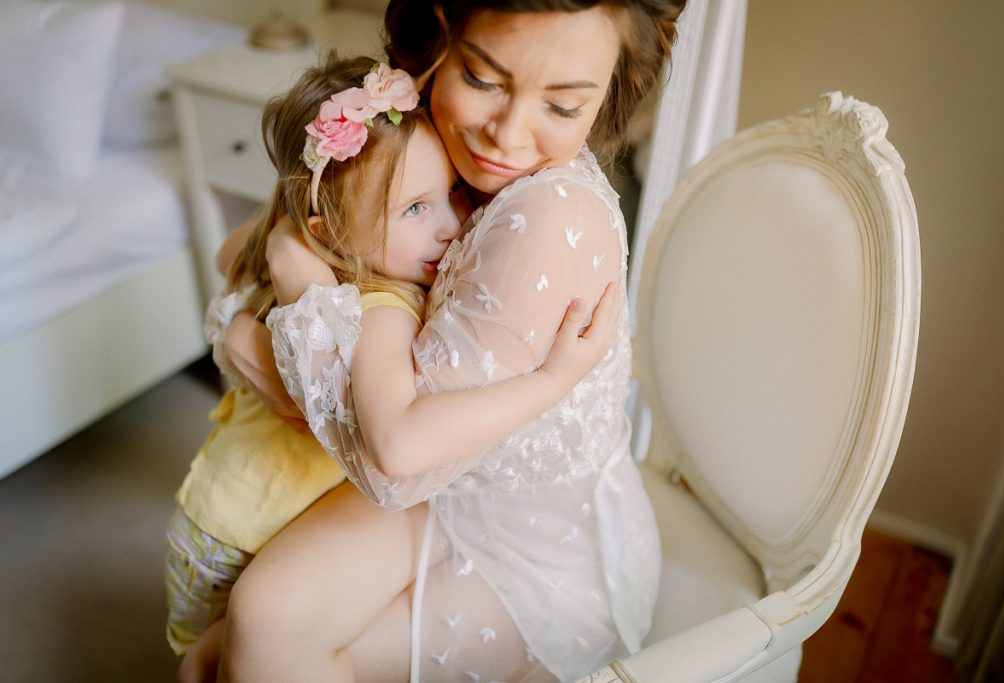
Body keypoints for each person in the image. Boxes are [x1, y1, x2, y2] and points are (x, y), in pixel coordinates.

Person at [215, 2, 688, 681]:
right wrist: (282, 254)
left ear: (606, 98)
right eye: (483, 78)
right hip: (447, 497)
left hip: (534, 550)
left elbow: (394, 460)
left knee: (259, 626)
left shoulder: (547, 218)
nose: (507, 136)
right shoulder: (417, 137)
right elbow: (245, 252)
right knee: (243, 630)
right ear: (435, 47)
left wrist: (294, 286)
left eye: (562, 106)